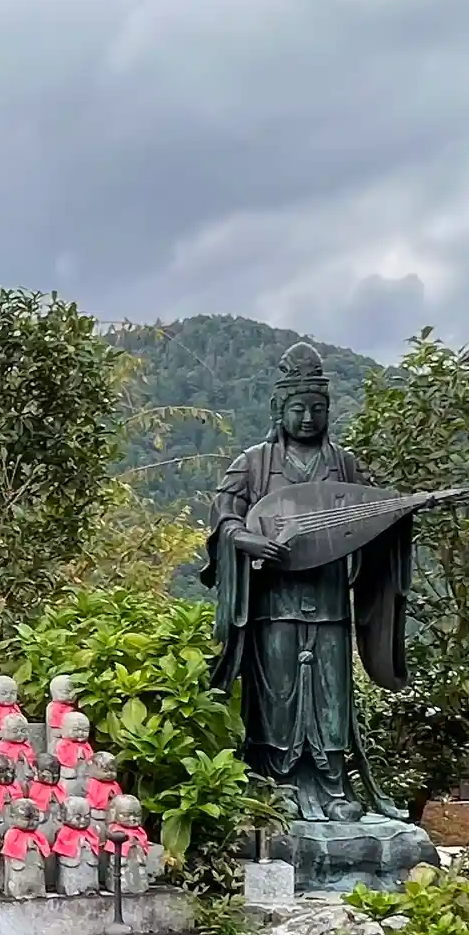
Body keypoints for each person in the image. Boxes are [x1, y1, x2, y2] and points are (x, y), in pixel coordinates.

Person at [201, 342, 409, 821]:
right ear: (279, 408)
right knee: (278, 693)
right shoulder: (255, 463)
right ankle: (277, 782)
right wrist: (249, 541)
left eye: (318, 409)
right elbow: (223, 515)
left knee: (331, 694)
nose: (309, 418)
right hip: (274, 605)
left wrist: (400, 515)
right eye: (298, 409)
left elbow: (368, 516)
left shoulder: (343, 464)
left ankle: (333, 786)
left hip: (329, 601)